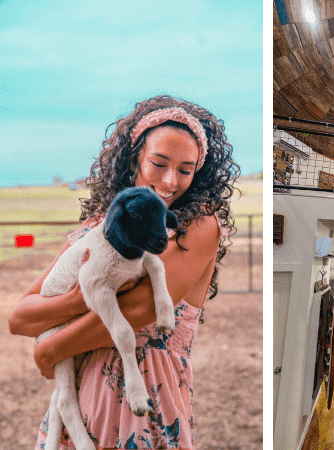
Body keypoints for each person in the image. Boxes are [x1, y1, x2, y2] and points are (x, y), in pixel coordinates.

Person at [8, 95, 240, 449]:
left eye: (185, 169)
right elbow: (21, 318)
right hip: (82, 400)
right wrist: (77, 298)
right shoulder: (96, 226)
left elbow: (137, 311)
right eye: (158, 163)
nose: (169, 180)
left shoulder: (199, 225)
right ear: (135, 158)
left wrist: (50, 351)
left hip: (146, 402)